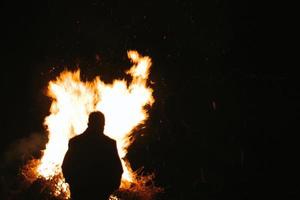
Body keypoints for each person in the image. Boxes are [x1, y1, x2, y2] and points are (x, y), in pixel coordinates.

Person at [62, 111, 123, 200]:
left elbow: (66, 166)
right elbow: (117, 169)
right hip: (100, 193)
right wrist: (110, 189)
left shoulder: (76, 142)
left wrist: (73, 184)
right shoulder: (109, 143)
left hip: (79, 192)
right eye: (101, 124)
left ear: (88, 123)